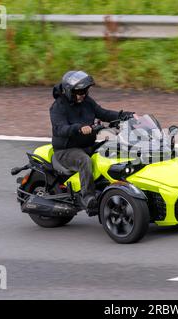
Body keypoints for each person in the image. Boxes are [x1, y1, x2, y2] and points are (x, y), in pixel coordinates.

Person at [50, 70, 134, 214]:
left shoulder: (87, 101)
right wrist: (79, 128)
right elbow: (59, 129)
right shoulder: (58, 107)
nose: (83, 94)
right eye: (80, 91)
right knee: (84, 161)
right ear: (70, 91)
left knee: (114, 150)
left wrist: (125, 116)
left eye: (85, 91)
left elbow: (103, 113)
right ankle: (88, 197)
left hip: (87, 145)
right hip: (66, 151)